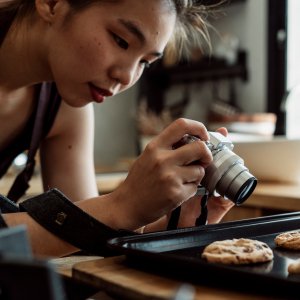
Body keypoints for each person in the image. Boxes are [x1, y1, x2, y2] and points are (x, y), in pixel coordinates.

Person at [0, 0, 234, 258]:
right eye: (121, 41)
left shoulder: (64, 107)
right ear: (52, 3)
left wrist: (174, 227)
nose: (128, 77)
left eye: (145, 62)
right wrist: (124, 204)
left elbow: (81, 238)